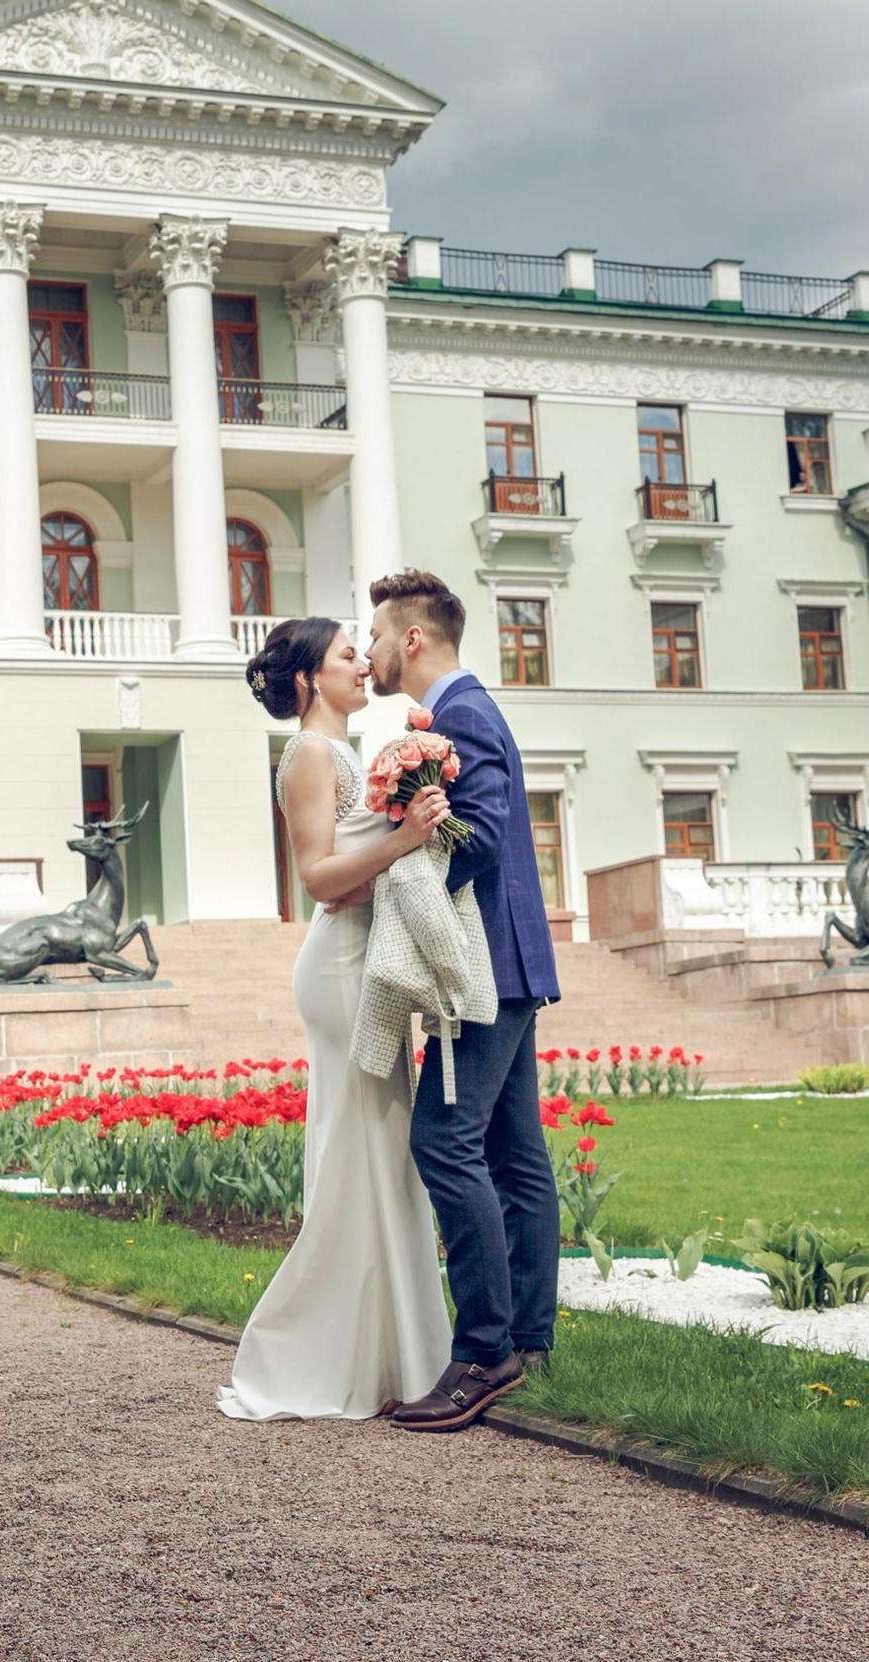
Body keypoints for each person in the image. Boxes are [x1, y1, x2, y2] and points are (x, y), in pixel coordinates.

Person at [217, 617, 455, 1422]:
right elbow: (319, 878)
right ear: (309, 681)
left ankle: (392, 1356)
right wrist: (406, 840)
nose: (365, 663)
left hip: (367, 961)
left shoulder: (348, 753)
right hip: (346, 966)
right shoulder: (312, 756)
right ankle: (318, 1353)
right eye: (347, 655)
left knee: (381, 1158)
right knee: (367, 1155)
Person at [363, 570, 563, 1433]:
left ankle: (482, 1351)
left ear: (412, 639)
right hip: (513, 964)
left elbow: (476, 834)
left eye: (375, 635)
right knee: (516, 1155)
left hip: (481, 971)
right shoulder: (467, 712)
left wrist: (411, 833)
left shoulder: (462, 716)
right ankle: (529, 1342)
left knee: (444, 1138)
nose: (367, 650)